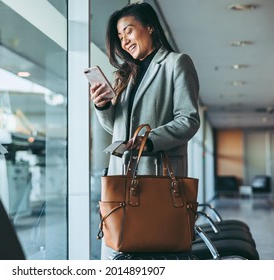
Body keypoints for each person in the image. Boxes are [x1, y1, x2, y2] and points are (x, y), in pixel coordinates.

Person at [89, 2, 200, 259]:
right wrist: (102, 104)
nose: (124, 40)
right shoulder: (127, 74)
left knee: (155, 245)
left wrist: (147, 141)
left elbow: (189, 119)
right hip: (122, 175)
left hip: (157, 176)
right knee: (121, 246)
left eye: (129, 31)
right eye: (120, 36)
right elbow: (115, 129)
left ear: (150, 27)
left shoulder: (176, 63)